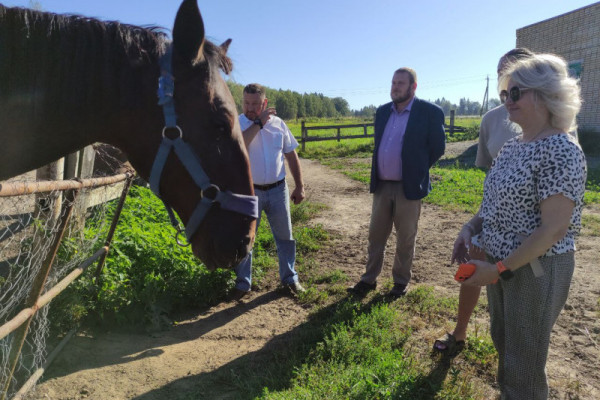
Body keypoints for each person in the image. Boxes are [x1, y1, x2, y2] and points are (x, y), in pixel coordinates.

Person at [452, 53, 586, 399]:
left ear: (545, 96)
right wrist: (470, 226)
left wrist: (498, 270)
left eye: (516, 94)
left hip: (535, 268)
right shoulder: (513, 145)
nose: (507, 102)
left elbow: (553, 230)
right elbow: (494, 202)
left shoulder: (561, 149)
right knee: (504, 338)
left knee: (523, 356)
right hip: (501, 263)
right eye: (504, 95)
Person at [433, 48, 534, 354]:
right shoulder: (491, 119)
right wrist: (477, 221)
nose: (508, 86)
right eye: (503, 75)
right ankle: (459, 334)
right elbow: (489, 175)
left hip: (528, 224)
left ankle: (521, 356)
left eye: (515, 75)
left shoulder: (550, 118)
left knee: (520, 288)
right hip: (491, 214)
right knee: (472, 271)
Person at [349, 67, 446, 298]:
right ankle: (369, 279)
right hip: (382, 186)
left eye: (401, 83)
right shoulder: (383, 112)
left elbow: (438, 148)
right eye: (393, 83)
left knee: (405, 238)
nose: (395, 87)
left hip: (408, 188)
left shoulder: (429, 112)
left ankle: (400, 283)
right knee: (376, 236)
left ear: (413, 87)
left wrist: (417, 169)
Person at [231, 83, 306, 300]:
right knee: (246, 239)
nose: (250, 107)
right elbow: (239, 147)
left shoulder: (279, 125)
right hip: (249, 191)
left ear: (264, 103)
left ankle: (290, 279)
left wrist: (300, 186)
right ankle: (243, 284)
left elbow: (291, 155)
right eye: (246, 102)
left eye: (255, 104)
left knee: (285, 237)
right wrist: (257, 123)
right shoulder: (238, 122)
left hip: (277, 190)